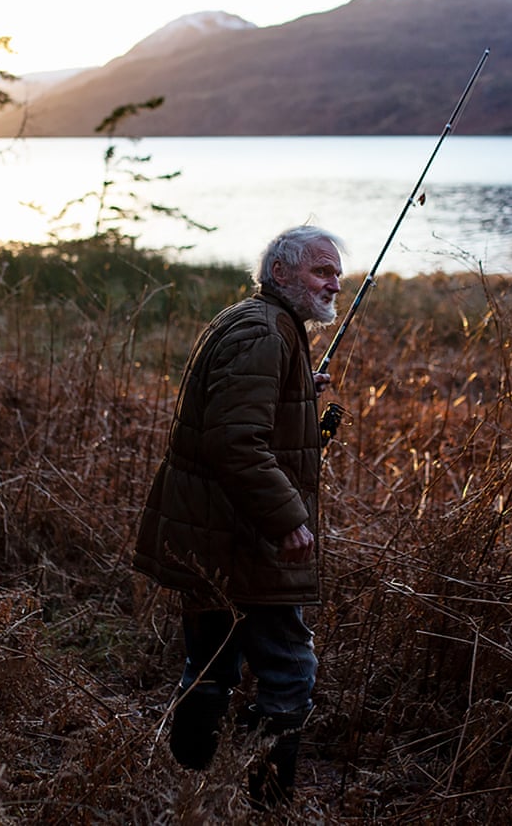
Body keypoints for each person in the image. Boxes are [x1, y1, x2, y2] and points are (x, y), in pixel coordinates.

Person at [133, 224, 344, 808]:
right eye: (321, 271)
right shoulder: (265, 333)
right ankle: (269, 803)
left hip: (215, 534)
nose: (335, 283)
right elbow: (234, 441)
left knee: (211, 662)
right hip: (246, 540)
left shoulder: (259, 322)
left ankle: (189, 781)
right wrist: (286, 519)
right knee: (289, 674)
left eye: (336, 273)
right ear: (280, 272)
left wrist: (300, 389)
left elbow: (239, 410)